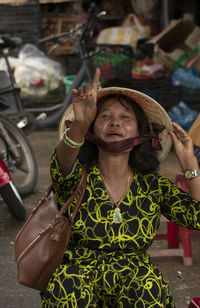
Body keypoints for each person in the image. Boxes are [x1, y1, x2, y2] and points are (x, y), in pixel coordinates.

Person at [41, 68, 200, 307]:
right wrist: (79, 126)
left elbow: (196, 218)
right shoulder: (77, 177)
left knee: (149, 290)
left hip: (135, 277)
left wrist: (190, 166)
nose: (115, 121)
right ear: (92, 129)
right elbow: (63, 162)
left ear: (141, 132)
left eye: (126, 117)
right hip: (79, 273)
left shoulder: (152, 185)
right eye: (104, 116)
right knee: (68, 286)